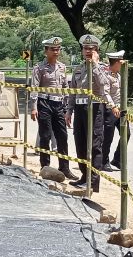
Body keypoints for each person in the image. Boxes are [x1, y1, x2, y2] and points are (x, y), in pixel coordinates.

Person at [69, 34, 113, 192]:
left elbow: (103, 85)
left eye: (91, 48)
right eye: (85, 48)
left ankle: (93, 182)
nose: (88, 51)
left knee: (94, 145)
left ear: (97, 50)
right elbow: (73, 92)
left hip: (94, 109)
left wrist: (94, 65)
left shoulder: (101, 67)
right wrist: (69, 111)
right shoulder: (79, 69)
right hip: (80, 110)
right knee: (80, 144)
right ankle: (84, 175)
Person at [30, 37, 78, 181]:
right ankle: (45, 167)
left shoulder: (62, 67)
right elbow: (34, 88)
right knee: (45, 136)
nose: (56, 52)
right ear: (46, 51)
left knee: (62, 136)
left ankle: (64, 168)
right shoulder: (39, 68)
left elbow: (65, 87)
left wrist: (67, 107)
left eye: (58, 49)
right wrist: (33, 107)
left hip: (58, 105)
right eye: (53, 49)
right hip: (44, 103)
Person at [102, 50, 125, 171]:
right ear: (116, 62)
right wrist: (113, 106)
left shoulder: (119, 75)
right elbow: (105, 93)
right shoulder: (106, 75)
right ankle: (103, 161)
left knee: (126, 134)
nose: (122, 64)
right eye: (121, 62)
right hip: (110, 109)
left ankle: (117, 159)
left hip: (120, 109)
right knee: (108, 136)